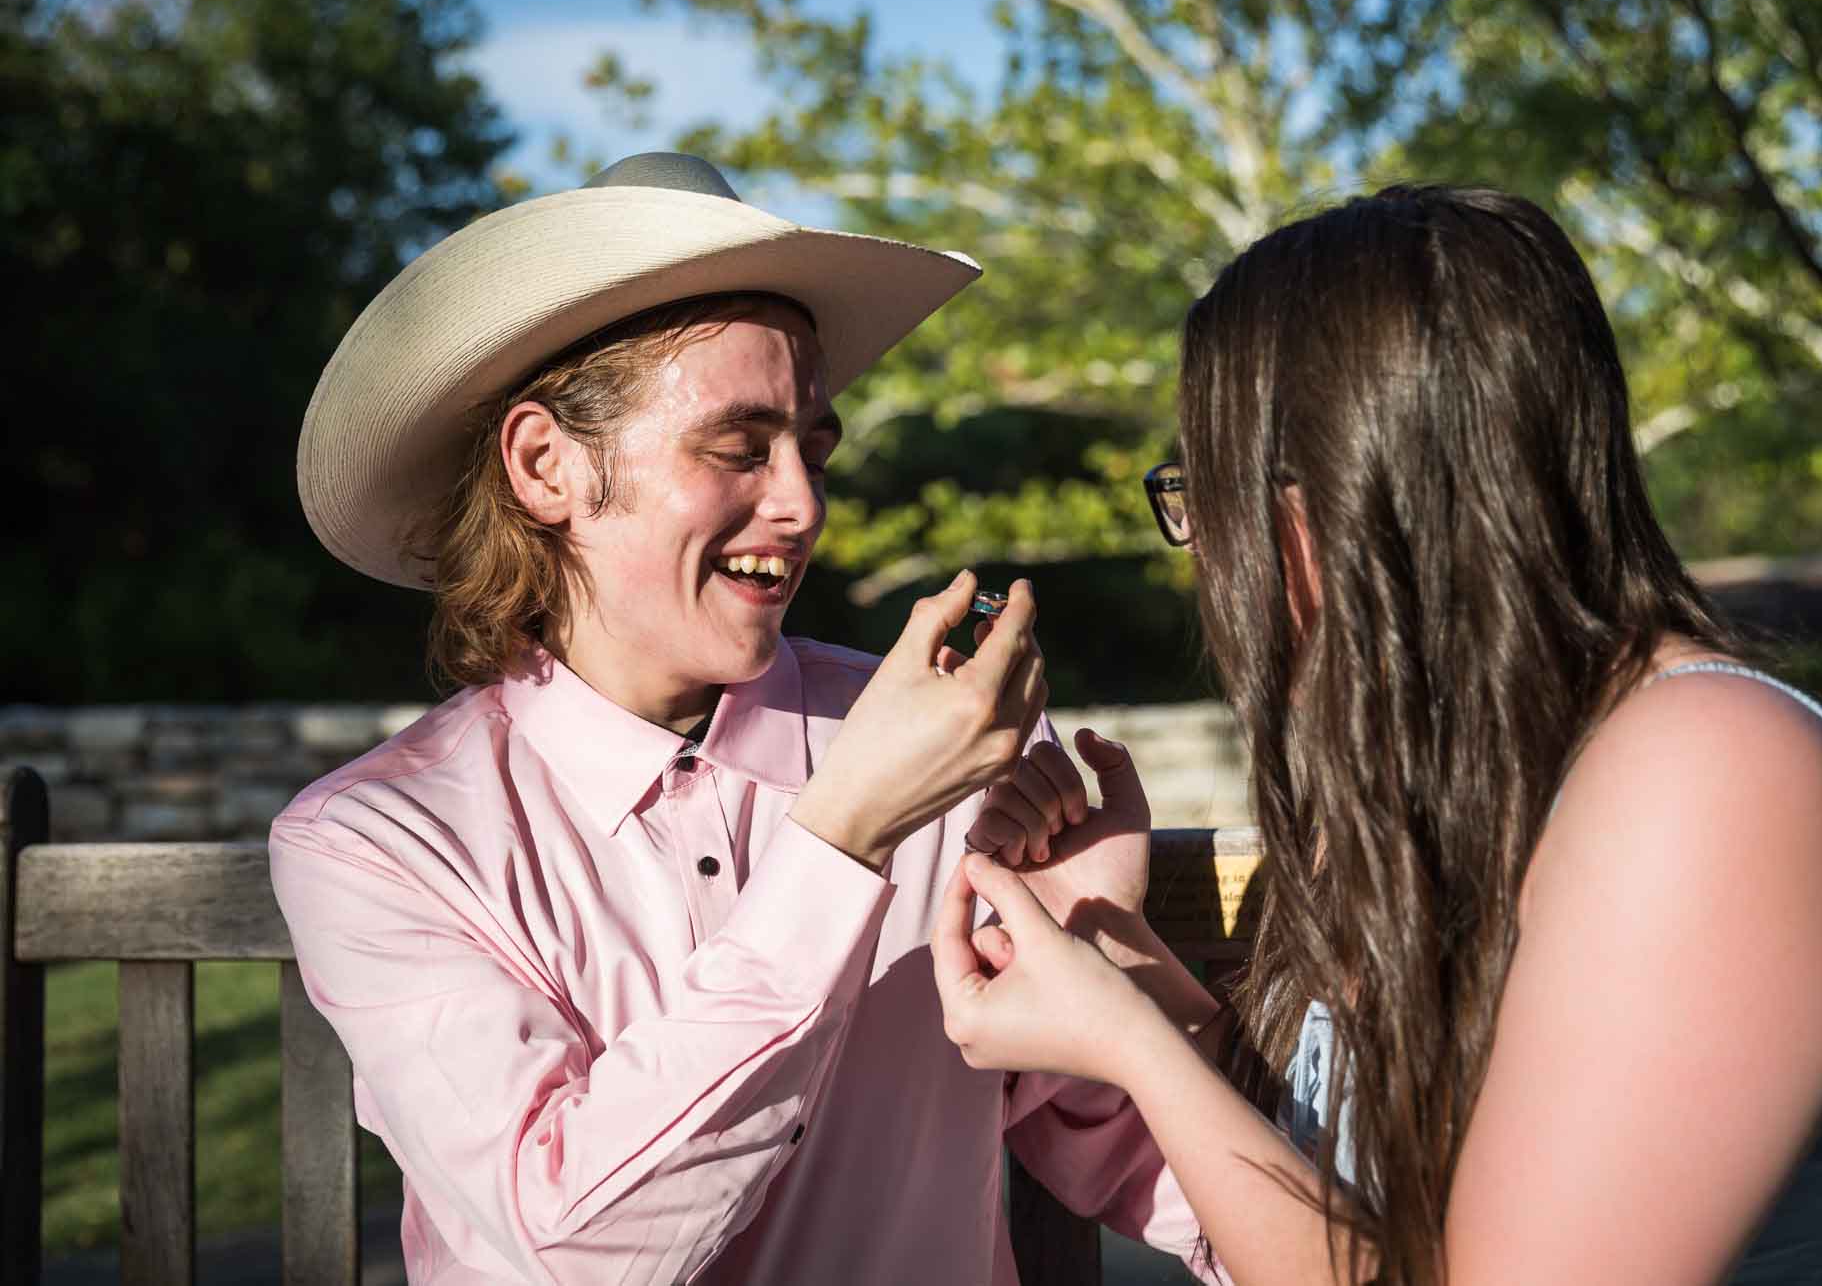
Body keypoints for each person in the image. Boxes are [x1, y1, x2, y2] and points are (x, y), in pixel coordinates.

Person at [270, 152, 1229, 1285]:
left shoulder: (953, 750)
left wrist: (1099, 945)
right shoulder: (380, 842)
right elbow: (578, 1249)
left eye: (811, 446)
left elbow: (1168, 1169)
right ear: (545, 466)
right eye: (737, 448)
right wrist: (839, 841)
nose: (802, 503)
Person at [932, 185, 1822, 1286]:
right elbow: (1342, 1191)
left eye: (1204, 492)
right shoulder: (1483, 782)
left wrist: (1130, 1045)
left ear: (1349, 491)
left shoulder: (1711, 779)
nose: (1203, 551)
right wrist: (1110, 948)